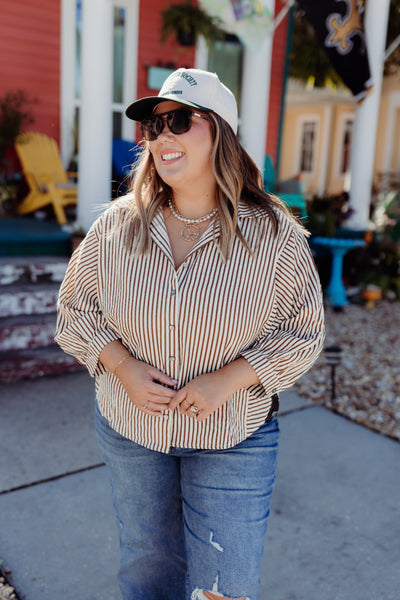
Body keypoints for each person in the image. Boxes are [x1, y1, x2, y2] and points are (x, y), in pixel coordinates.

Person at [55, 68, 325, 600]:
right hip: (131, 428)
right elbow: (73, 311)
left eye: (179, 121)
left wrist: (229, 379)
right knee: (147, 567)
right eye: (154, 127)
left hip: (233, 436)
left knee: (224, 587)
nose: (162, 138)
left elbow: (303, 332)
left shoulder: (274, 236)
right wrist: (123, 368)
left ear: (220, 131)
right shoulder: (116, 225)